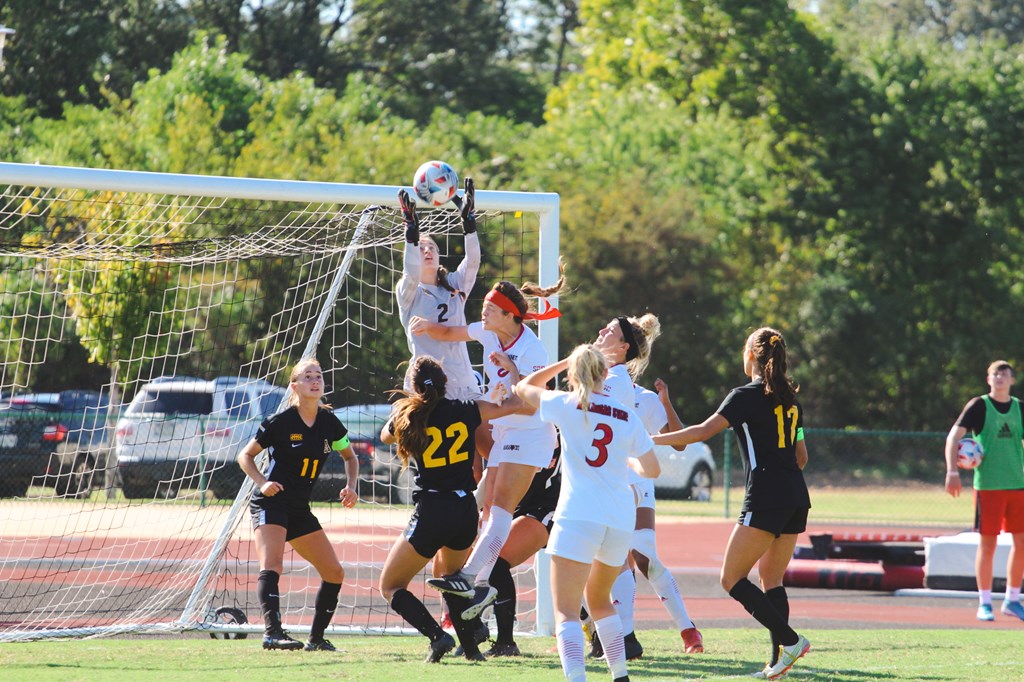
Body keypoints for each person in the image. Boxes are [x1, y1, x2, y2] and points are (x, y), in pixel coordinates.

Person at [653, 327, 811, 680]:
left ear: (751, 355)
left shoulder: (745, 395)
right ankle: (778, 664)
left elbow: (700, 432)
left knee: (731, 579)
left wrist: (647, 439)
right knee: (772, 580)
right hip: (796, 495)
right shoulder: (791, 399)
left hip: (767, 494)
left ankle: (791, 641)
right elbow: (801, 456)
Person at [412, 269, 565, 621]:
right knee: (483, 501)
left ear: (510, 315)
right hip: (505, 433)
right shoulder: (488, 332)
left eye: (490, 309)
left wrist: (510, 367)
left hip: (530, 433)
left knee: (499, 507)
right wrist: (423, 326)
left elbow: (530, 403)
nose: (483, 313)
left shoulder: (532, 349)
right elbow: (452, 332)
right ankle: (476, 586)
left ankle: (472, 579)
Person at [514, 344, 660, 682]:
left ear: (571, 375)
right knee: (600, 600)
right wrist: (627, 461)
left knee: (565, 610)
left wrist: (562, 362)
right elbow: (651, 469)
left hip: (578, 515)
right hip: (620, 518)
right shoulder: (626, 413)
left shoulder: (567, 404)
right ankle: (619, 675)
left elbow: (522, 388)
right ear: (605, 374)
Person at [377, 356, 523, 662]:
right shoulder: (467, 410)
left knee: (391, 585)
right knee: (453, 582)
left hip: (433, 508)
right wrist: (512, 376)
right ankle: (472, 650)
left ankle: (438, 636)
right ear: (446, 383)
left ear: (413, 387)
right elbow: (513, 405)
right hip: (464, 509)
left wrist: (408, 406)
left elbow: (385, 436)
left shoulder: (409, 414)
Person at [237, 358, 360, 652]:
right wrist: (262, 482)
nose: (315, 380)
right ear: (295, 386)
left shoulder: (329, 422)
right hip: (271, 502)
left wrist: (351, 486)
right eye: (308, 377)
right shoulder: (281, 422)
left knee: (334, 572)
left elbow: (351, 457)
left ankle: (316, 639)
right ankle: (272, 633)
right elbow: (245, 456)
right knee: (273, 564)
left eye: (318, 376)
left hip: (299, 508)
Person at [943, 360, 1024, 622]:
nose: (1000, 378)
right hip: (989, 487)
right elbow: (954, 437)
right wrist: (952, 471)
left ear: (1012, 379)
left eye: (1004, 374)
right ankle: (985, 602)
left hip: (1018, 485)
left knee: (1022, 544)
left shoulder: (1020, 408)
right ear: (988, 379)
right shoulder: (979, 406)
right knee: (988, 544)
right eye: (995, 374)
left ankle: (1012, 599)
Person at [395, 179, 480, 400]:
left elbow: (472, 262)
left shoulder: (454, 286)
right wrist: (411, 236)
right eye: (421, 248)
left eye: (431, 247)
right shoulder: (409, 293)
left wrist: (469, 226)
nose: (427, 251)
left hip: (463, 383)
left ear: (439, 254)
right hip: (426, 388)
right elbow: (411, 273)